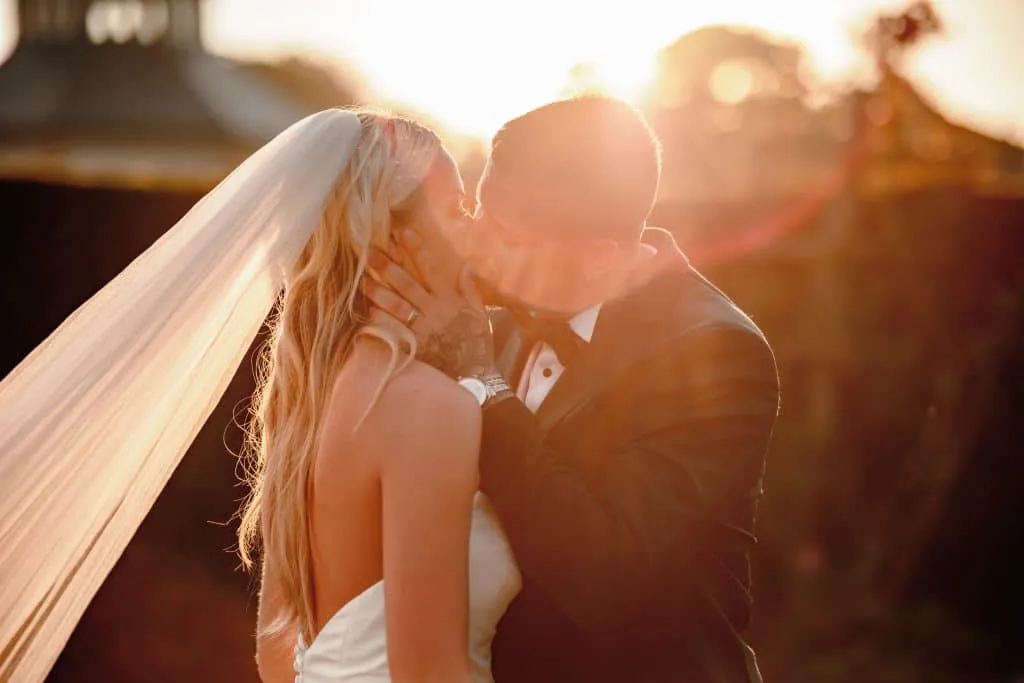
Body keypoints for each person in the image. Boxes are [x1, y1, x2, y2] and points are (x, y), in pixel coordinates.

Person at [0, 109, 519, 683]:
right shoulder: (428, 408)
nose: (474, 232)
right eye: (457, 211)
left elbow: (277, 655)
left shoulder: (309, 395)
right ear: (390, 240)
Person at [364, 96, 781, 683]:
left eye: (506, 234)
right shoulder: (491, 313)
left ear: (597, 259)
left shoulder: (715, 355)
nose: (475, 241)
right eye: (480, 211)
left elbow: (602, 575)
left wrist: (481, 378)